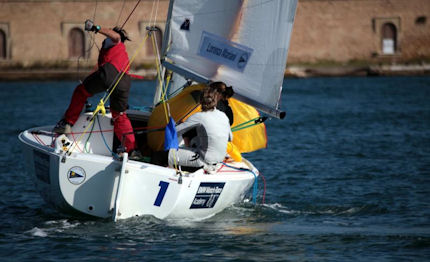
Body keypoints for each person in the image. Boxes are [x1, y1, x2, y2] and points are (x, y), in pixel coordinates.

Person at [54, 20, 135, 153]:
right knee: (119, 115)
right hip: (124, 81)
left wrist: (96, 28)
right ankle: (131, 150)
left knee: (81, 92)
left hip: (109, 74)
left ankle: (67, 123)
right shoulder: (120, 52)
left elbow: (115, 36)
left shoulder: (114, 40)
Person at [168, 82, 232, 169]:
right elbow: (230, 138)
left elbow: (175, 132)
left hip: (204, 160)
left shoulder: (198, 116)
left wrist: (172, 125)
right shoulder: (223, 115)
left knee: (164, 154)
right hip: (219, 161)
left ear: (201, 101)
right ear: (214, 100)